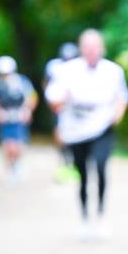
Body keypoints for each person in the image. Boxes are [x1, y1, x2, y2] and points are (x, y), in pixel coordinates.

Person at [46, 29, 128, 239]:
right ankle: (84, 218)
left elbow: (122, 96)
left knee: (101, 168)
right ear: (82, 49)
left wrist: (116, 116)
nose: (92, 51)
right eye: (88, 47)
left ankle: (101, 215)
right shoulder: (67, 71)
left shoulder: (113, 71)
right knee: (82, 174)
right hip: (76, 129)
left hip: (102, 127)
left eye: (96, 46)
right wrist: (60, 102)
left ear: (102, 48)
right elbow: (54, 98)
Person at [0, 55, 37, 179]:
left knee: (18, 143)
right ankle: (9, 168)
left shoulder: (22, 82)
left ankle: (17, 164)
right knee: (7, 144)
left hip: (19, 115)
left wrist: (28, 111)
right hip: (5, 117)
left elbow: (31, 97)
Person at [44, 42, 81, 182]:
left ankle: (76, 164)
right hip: (59, 106)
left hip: (76, 108)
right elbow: (47, 83)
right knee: (60, 134)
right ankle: (64, 162)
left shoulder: (81, 66)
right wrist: (51, 100)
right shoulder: (54, 66)